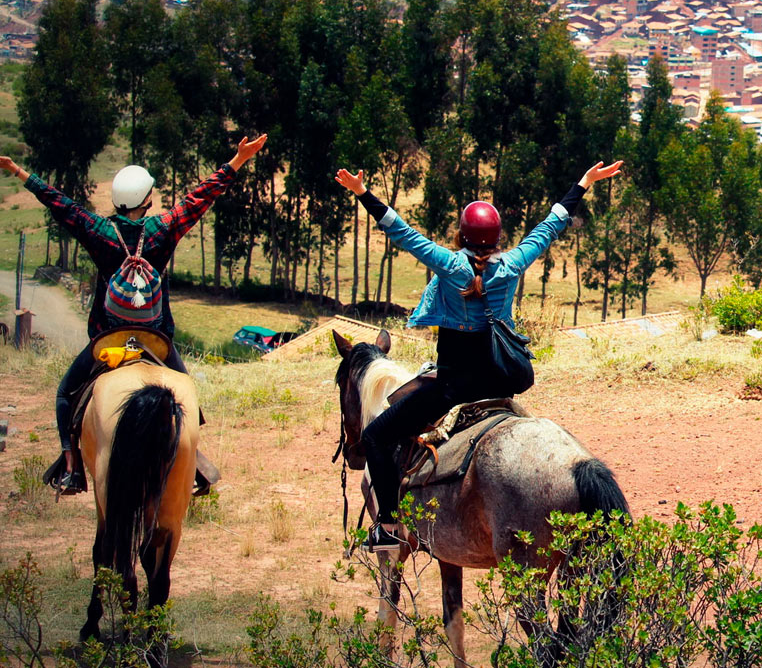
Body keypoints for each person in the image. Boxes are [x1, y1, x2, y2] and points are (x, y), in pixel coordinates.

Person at [335, 160, 624, 552]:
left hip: (453, 388)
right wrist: (584, 182)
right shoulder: (513, 263)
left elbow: (400, 231)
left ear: (461, 235)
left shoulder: (447, 263)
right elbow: (550, 225)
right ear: (499, 237)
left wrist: (362, 192)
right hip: (499, 380)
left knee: (375, 436)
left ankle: (387, 527)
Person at [0, 135, 268, 495]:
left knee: (65, 394)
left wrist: (19, 171)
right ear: (147, 200)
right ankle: (191, 463)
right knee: (188, 398)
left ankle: (71, 466)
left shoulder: (98, 231)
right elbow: (200, 198)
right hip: (155, 340)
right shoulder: (162, 229)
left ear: (116, 200)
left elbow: (59, 203)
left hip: (107, 340)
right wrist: (237, 160)